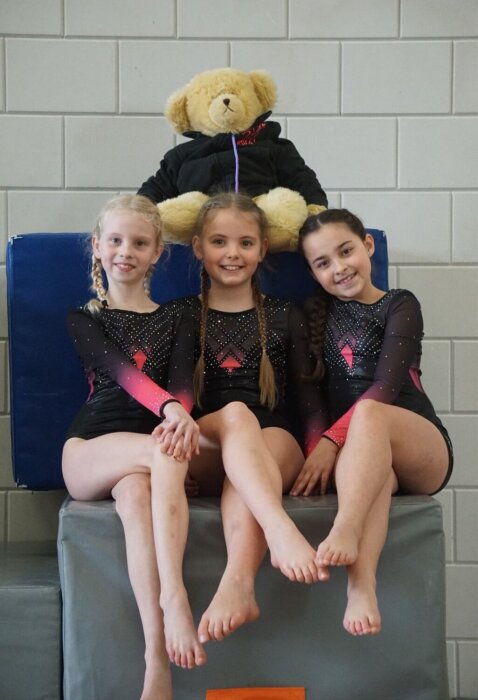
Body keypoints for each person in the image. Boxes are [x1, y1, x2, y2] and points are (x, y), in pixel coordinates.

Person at [151, 192, 329, 667]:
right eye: (219, 242)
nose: (233, 253)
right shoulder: (183, 314)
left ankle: (239, 584)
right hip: (211, 436)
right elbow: (178, 392)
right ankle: (279, 528)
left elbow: (308, 399)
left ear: (263, 249)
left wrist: (319, 448)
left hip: (274, 441)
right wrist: (182, 455)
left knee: (249, 453)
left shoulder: (285, 315)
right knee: (235, 414)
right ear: (198, 247)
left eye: (246, 243)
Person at [62, 194, 204, 700]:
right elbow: (123, 374)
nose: (126, 251)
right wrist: (173, 412)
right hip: (91, 448)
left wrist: (179, 411)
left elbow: (182, 383)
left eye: (140, 243)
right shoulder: (85, 318)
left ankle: (155, 662)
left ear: (157, 252)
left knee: (140, 493)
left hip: (147, 452)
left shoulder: (178, 317)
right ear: (97, 246)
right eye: (116, 240)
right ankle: (175, 596)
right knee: (165, 449)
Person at [291, 208, 453, 637]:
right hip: (362, 451)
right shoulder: (312, 317)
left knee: (369, 411)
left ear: (367, 246)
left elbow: (385, 386)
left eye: (346, 251)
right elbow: (311, 402)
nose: (339, 267)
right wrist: (316, 448)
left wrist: (331, 442)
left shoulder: (399, 303)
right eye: (323, 263)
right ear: (312, 272)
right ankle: (361, 587)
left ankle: (346, 526)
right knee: (375, 473)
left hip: (419, 444)